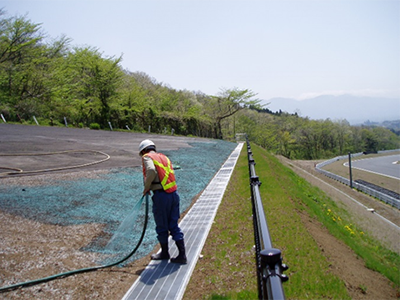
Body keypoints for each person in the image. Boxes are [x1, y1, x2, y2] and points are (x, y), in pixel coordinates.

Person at [139, 139, 187, 264]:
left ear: (143, 150)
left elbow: (150, 171)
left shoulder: (147, 157)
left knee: (162, 225)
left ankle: (165, 253)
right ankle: (182, 255)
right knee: (173, 225)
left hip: (161, 196)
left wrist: (146, 187)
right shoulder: (164, 157)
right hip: (173, 194)